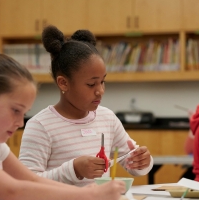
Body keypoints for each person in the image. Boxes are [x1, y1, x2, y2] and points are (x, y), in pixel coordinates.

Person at [0, 40, 126, 200]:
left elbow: (32, 180)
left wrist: (89, 192)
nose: (19, 123)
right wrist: (90, 195)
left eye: (23, 114)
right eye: (15, 111)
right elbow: (12, 191)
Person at [19, 26, 153, 186]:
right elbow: (27, 183)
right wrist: (74, 170)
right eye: (91, 84)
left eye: (102, 81)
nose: (100, 91)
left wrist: (142, 162)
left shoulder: (107, 118)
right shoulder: (40, 125)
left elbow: (132, 163)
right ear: (63, 83)